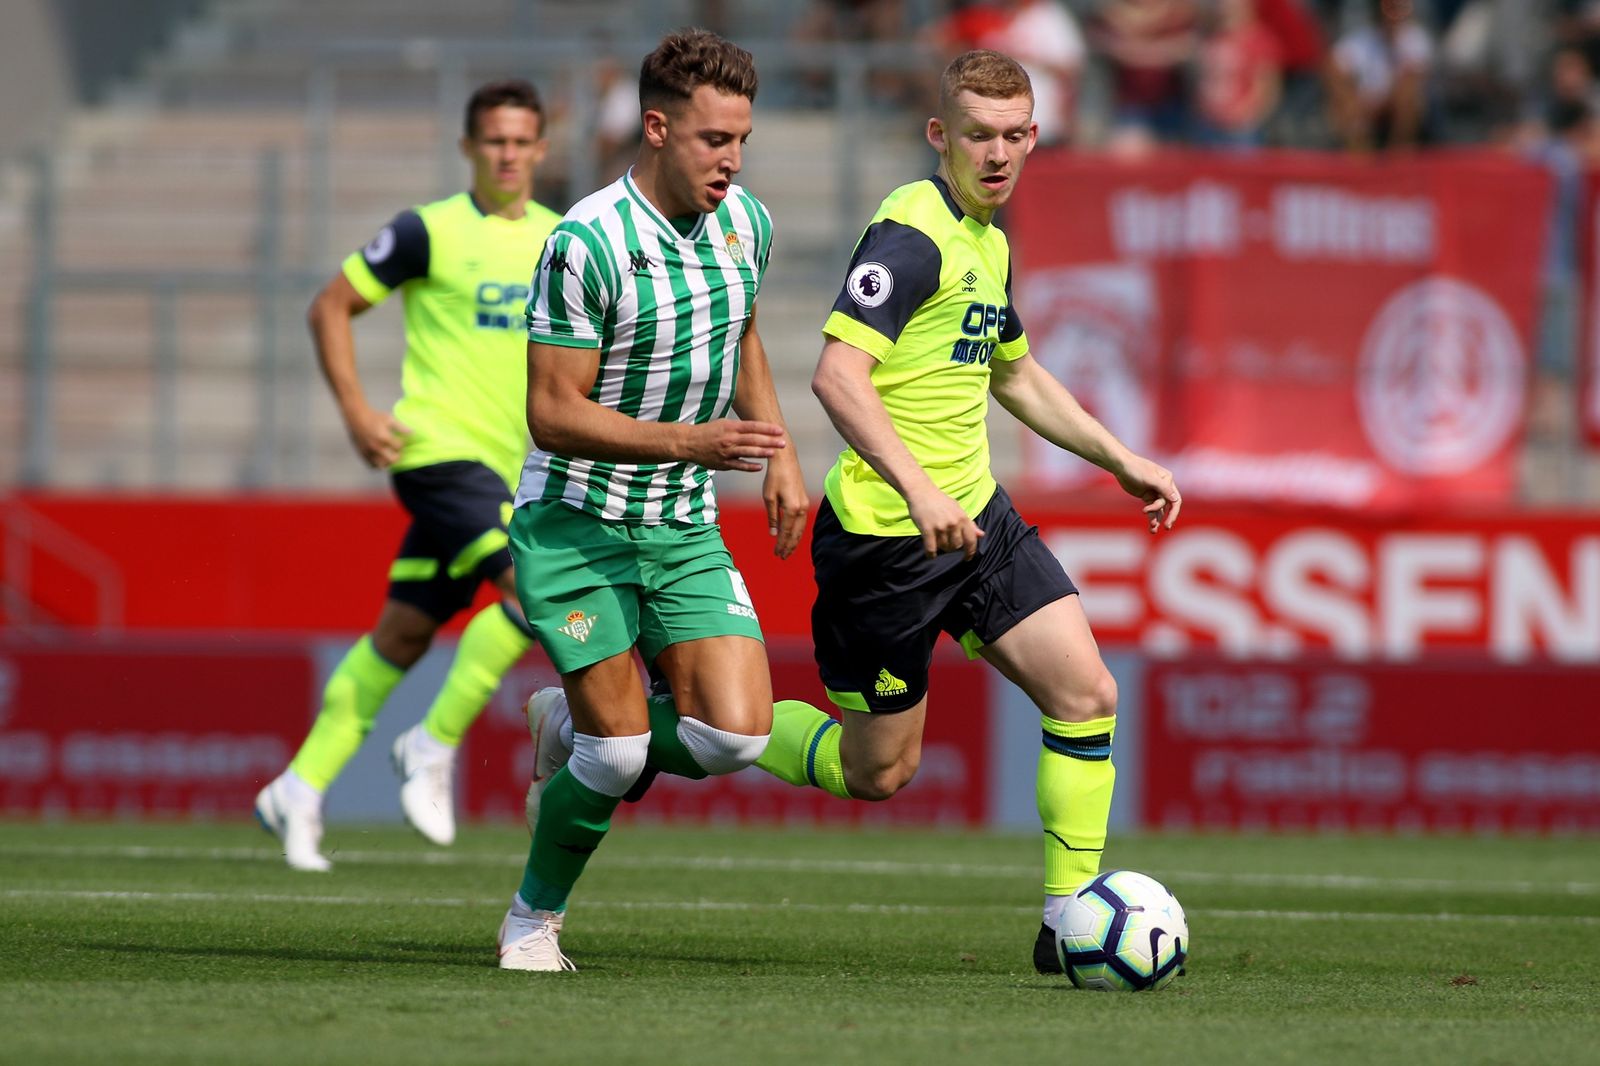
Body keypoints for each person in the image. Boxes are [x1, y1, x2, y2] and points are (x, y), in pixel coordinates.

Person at [745, 49, 1182, 974]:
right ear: (940, 134)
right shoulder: (913, 234)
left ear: (1035, 135)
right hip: (886, 544)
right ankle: (670, 723)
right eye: (976, 134)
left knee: (1088, 694)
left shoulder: (989, 239)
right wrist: (917, 487)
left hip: (977, 524)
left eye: (1013, 135)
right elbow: (836, 375)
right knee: (880, 774)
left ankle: (1066, 922)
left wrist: (1120, 459)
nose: (996, 153)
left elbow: (1013, 371)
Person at [495, 29, 812, 972]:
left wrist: (781, 455)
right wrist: (697, 443)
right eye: (715, 139)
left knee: (734, 736)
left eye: (743, 139)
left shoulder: (746, 223)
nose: (732, 160)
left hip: (678, 520)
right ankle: (530, 920)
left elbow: (741, 335)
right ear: (658, 127)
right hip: (576, 524)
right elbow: (552, 414)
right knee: (621, 757)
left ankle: (566, 718)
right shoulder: (586, 240)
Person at [253, 79, 562, 871]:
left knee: (403, 633)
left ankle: (299, 786)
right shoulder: (427, 231)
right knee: (535, 592)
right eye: (493, 139)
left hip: (513, 474)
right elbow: (330, 305)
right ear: (468, 147)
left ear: (541, 150)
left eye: (521, 140)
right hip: (437, 456)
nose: (507, 153)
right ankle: (434, 742)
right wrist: (357, 412)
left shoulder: (567, 238)